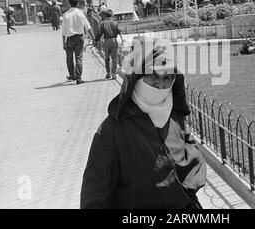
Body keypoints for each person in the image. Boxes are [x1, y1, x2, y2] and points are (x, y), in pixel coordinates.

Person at [81, 37, 207, 209]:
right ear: (137, 77)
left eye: (168, 77)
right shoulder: (112, 130)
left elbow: (186, 146)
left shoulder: (174, 116)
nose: (160, 85)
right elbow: (94, 195)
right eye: (154, 76)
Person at [61, 0, 96, 85]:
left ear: (69, 4)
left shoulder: (65, 15)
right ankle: (79, 78)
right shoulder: (81, 13)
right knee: (79, 57)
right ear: (77, 4)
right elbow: (88, 27)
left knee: (69, 58)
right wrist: (93, 39)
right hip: (80, 38)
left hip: (69, 38)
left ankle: (72, 75)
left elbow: (64, 31)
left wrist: (63, 43)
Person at [94, 10, 124, 80]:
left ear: (105, 16)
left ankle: (108, 73)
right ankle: (113, 74)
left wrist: (96, 40)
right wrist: (122, 40)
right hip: (114, 40)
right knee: (114, 58)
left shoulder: (102, 23)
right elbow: (120, 32)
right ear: (111, 16)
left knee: (107, 58)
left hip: (106, 41)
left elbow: (99, 33)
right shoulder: (115, 23)